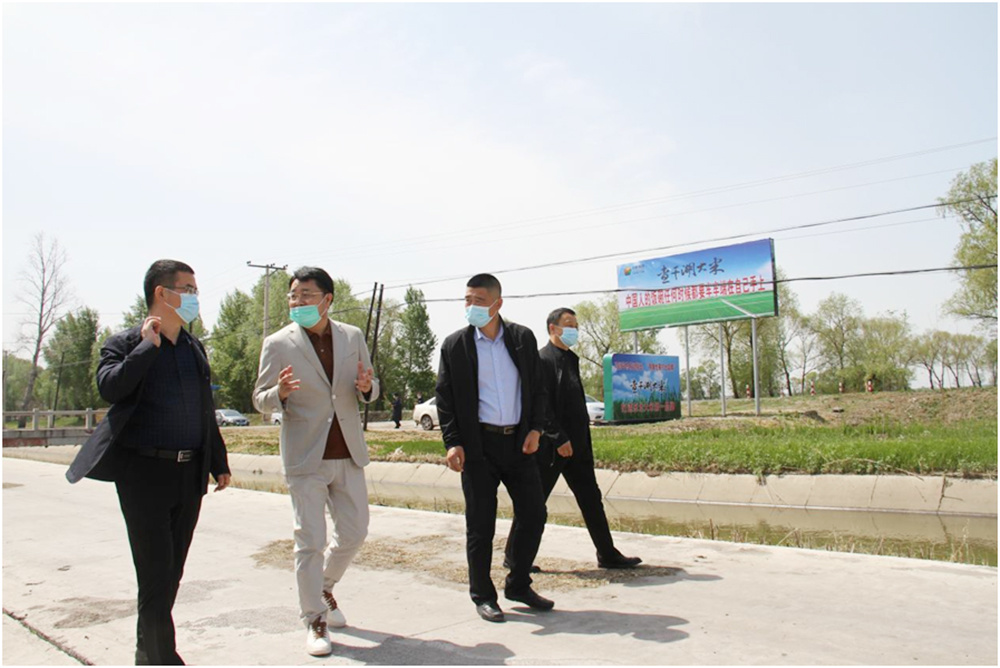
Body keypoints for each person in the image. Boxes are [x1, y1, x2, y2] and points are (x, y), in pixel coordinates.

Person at [66, 259, 231, 665]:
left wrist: (218, 461)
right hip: (143, 475)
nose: (195, 297)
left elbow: (204, 410)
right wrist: (146, 347)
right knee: (156, 574)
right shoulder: (124, 343)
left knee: (170, 573)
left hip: (189, 474)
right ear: (162, 293)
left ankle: (148, 655)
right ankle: (162, 659)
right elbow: (110, 388)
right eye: (188, 289)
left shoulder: (194, 348)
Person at [252, 266, 378, 657]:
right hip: (305, 455)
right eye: (293, 295)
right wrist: (279, 393)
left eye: (306, 295)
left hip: (348, 452)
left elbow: (371, 386)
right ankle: (314, 619)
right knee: (310, 540)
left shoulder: (352, 336)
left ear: (327, 299)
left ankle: (323, 587)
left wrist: (367, 388)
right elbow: (259, 399)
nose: (298, 301)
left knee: (355, 531)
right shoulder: (278, 343)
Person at [435, 273, 553, 624]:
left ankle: (518, 583)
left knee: (534, 514)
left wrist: (536, 428)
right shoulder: (455, 345)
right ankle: (483, 595)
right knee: (480, 524)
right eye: (467, 300)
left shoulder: (521, 338)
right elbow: (445, 398)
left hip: (519, 443)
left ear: (497, 303)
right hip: (478, 447)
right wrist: (453, 442)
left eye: (479, 300)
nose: (471, 306)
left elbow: (538, 388)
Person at [506, 308, 642, 572]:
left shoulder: (571, 359)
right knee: (532, 504)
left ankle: (607, 554)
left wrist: (580, 441)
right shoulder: (542, 360)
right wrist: (558, 438)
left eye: (576, 326)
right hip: (552, 448)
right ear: (552, 328)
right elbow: (541, 406)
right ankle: (514, 557)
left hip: (578, 447)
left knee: (591, 500)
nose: (574, 330)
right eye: (569, 325)